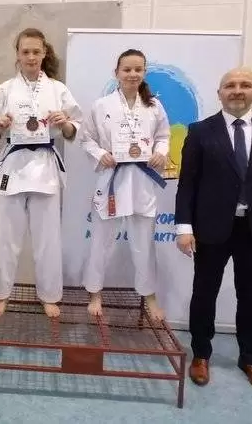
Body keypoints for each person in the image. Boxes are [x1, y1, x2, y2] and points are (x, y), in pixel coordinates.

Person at [175, 67, 252, 393]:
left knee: (251, 297)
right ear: (219, 93)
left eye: (245, 85)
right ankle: (200, 355)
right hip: (211, 228)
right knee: (205, 293)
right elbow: (188, 184)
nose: (237, 90)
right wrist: (184, 227)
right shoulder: (200, 131)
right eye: (230, 85)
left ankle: (251, 359)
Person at [0, 28, 83, 318]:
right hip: (13, 165)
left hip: (45, 165)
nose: (31, 57)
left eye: (36, 51)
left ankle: (49, 295)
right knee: (5, 236)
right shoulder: (5, 89)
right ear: (18, 54)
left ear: (44, 53)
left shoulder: (58, 89)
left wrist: (65, 123)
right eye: (25, 51)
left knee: (48, 238)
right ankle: (0, 294)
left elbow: (75, 127)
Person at [80, 49, 170, 320]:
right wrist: (100, 154)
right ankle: (95, 292)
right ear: (116, 73)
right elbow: (86, 138)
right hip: (112, 179)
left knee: (144, 244)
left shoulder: (154, 106)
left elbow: (163, 136)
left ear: (144, 73)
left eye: (138, 69)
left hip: (142, 181)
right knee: (101, 242)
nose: (132, 74)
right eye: (127, 69)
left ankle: (149, 295)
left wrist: (160, 152)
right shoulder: (101, 105)